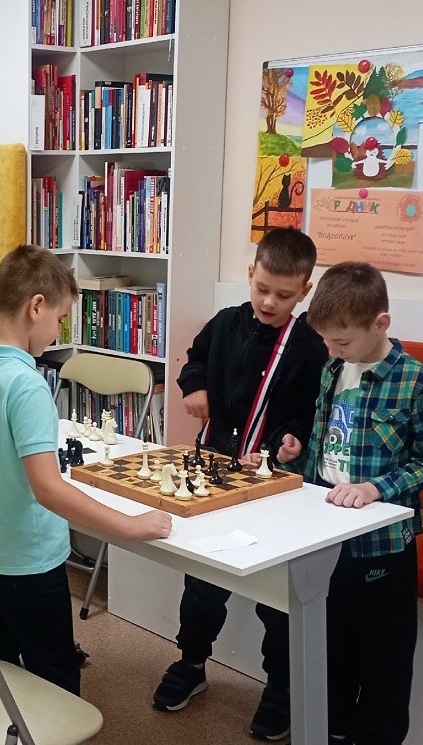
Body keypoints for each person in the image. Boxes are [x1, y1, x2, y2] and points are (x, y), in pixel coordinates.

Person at [0, 244, 173, 695]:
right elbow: (48, 490)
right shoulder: (27, 385)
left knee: (1, 672)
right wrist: (130, 526)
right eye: (60, 318)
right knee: (56, 682)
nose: (58, 330)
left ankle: (13, 728)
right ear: (36, 307)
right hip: (27, 565)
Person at [153, 227, 328, 742]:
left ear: (305, 291)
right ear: (250, 274)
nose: (270, 302)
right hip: (215, 470)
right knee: (202, 582)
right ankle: (191, 662)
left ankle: (281, 687)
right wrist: (194, 386)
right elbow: (195, 358)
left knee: (274, 595)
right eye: (263, 288)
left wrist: (289, 440)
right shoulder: (227, 322)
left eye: (284, 295)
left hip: (271, 481)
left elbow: (304, 412)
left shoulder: (309, 347)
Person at [277, 261, 423, 745]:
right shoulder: (334, 368)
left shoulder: (417, 380)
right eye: (327, 342)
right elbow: (328, 446)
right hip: (325, 533)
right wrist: (295, 456)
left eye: (342, 342)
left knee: (383, 663)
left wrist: (376, 488)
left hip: (383, 546)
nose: (332, 351)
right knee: (331, 650)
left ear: (380, 323)